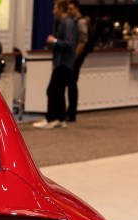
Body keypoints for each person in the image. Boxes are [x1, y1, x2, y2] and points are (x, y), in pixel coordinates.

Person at [33, 0, 78, 129]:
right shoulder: (64, 23)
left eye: (55, 8)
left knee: (52, 90)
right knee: (58, 91)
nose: (53, 11)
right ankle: (60, 118)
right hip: (62, 62)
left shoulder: (67, 23)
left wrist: (54, 41)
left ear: (61, 9)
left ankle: (52, 118)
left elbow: (69, 43)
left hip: (63, 63)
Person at [67, 0, 92, 123]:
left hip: (76, 57)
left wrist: (74, 57)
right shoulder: (73, 21)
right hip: (73, 57)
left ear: (77, 8)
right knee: (71, 83)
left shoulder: (80, 22)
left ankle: (72, 113)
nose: (69, 11)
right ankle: (70, 111)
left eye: (71, 8)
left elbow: (83, 41)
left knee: (72, 83)